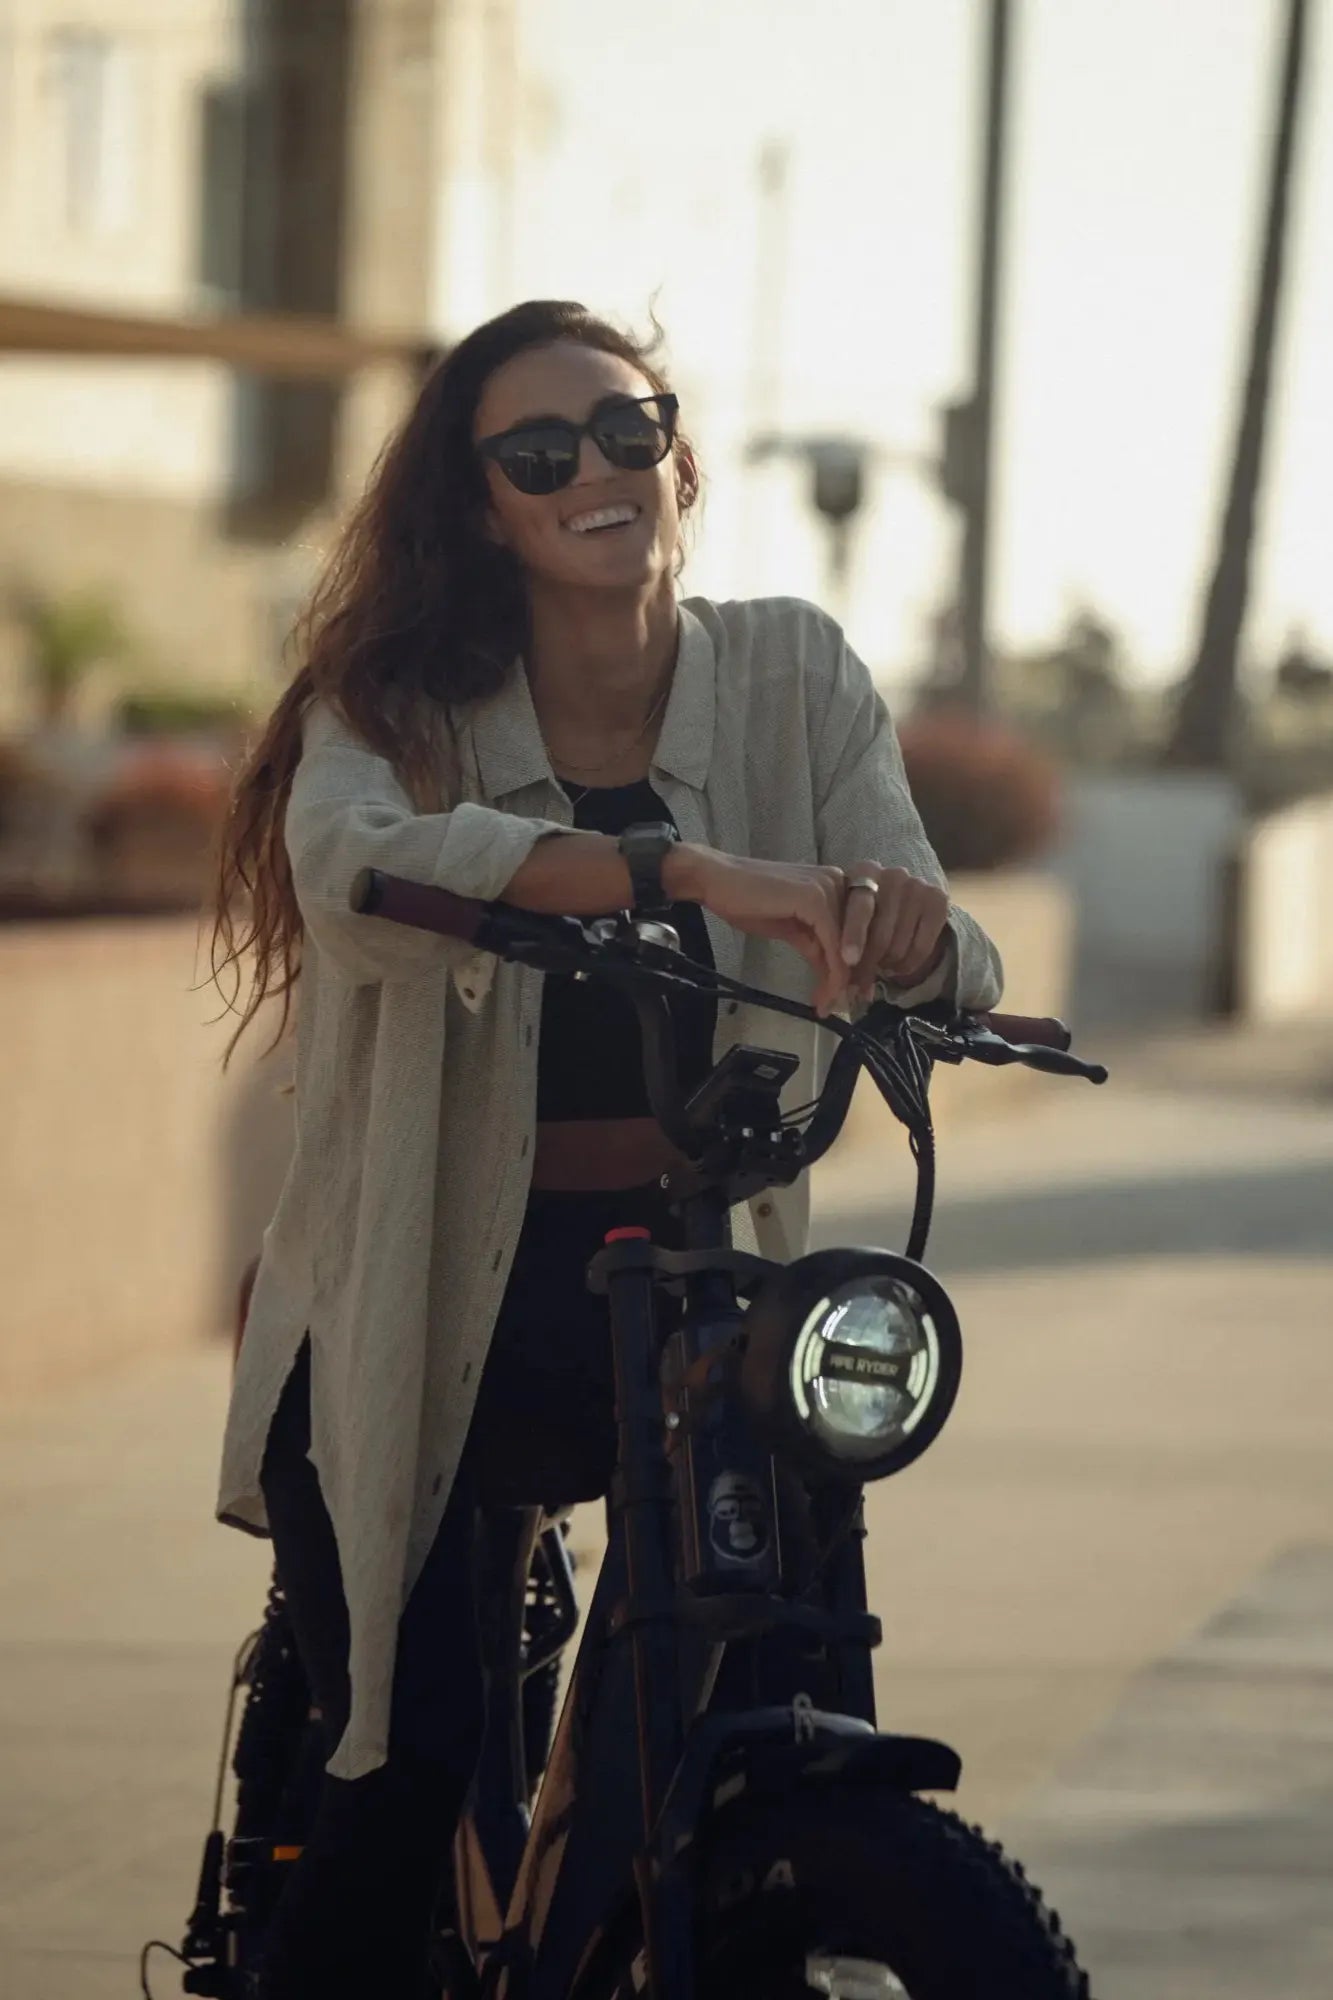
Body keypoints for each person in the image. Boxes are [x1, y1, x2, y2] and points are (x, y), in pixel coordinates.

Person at [209, 297, 1003, 1998]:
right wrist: (693, 877)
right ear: (480, 501)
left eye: (627, 429)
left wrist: (912, 939)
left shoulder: (794, 669)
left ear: (681, 459)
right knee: (409, 1765)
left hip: (689, 1298)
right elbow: (356, 872)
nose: (594, 470)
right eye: (537, 451)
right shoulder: (396, 702)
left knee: (761, 1692)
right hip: (416, 1309)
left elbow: (940, 931)